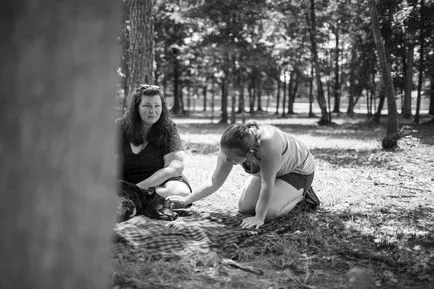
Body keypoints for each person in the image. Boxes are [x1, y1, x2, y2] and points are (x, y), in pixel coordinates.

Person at [168, 122, 320, 229]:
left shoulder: (268, 145)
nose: (226, 160)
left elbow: (267, 185)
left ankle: (303, 195)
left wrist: (259, 218)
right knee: (245, 207)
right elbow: (214, 181)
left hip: (297, 171)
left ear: (249, 154)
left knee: (270, 212)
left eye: (231, 158)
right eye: (226, 155)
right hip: (270, 173)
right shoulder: (231, 145)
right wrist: (187, 200)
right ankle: (284, 194)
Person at [117, 84, 191, 198]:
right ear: (137, 108)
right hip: (126, 183)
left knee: (181, 192)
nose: (152, 110)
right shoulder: (119, 126)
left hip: (159, 183)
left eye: (157, 106)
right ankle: (140, 199)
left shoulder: (168, 128)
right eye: (147, 105)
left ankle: (134, 198)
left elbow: (176, 167)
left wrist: (138, 189)